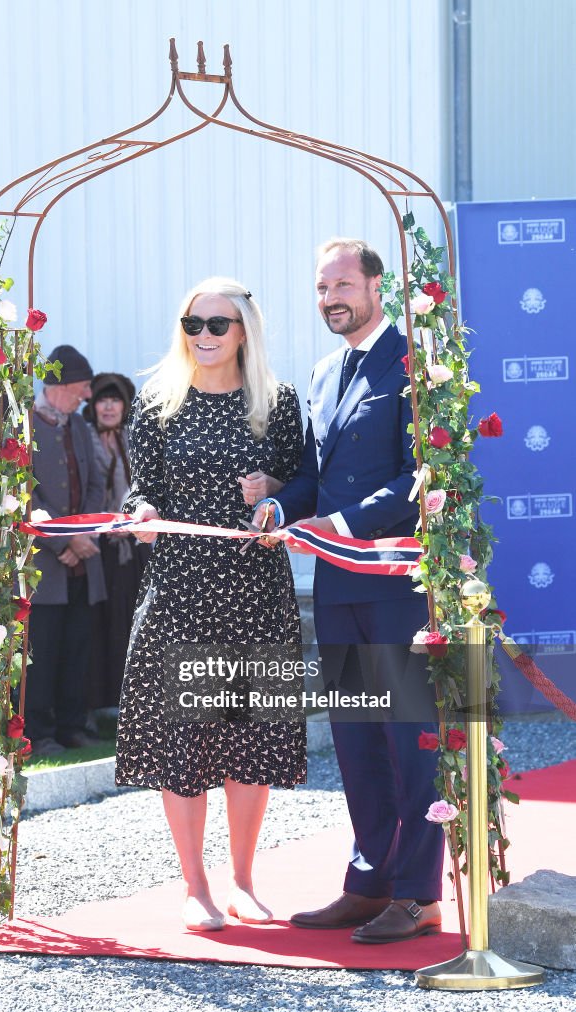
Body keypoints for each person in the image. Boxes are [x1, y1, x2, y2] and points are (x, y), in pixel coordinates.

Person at [254, 238, 444, 944]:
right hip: (338, 586)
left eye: (341, 285)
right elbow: (316, 474)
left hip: (396, 583)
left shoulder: (415, 363)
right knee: (358, 743)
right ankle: (369, 884)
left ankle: (419, 895)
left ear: (375, 287)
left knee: (409, 741)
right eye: (320, 287)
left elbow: (418, 476)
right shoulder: (324, 372)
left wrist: (336, 526)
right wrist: (281, 506)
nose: (329, 298)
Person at [115, 277, 306, 932]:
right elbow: (141, 490)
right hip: (182, 592)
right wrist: (142, 513)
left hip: (255, 591)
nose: (202, 335)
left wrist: (273, 487)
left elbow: (300, 485)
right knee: (185, 742)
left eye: (216, 324)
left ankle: (243, 883)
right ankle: (194, 887)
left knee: (250, 737)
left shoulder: (277, 402)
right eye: (192, 323)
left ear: (244, 331)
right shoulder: (156, 402)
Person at [25, 345, 107, 756]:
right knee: (42, 651)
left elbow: (95, 483)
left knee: (77, 648)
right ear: (61, 385)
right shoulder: (23, 424)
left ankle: (73, 726)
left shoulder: (78, 424)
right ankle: (39, 733)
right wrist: (64, 540)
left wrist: (84, 535)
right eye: (83, 387)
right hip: (43, 565)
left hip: (82, 560)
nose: (88, 396)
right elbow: (23, 494)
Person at [83, 373, 150, 714]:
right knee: (100, 622)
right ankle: (101, 702)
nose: (108, 407)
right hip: (96, 546)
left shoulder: (135, 438)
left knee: (134, 617)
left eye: (115, 400)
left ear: (125, 406)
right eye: (102, 400)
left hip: (134, 547)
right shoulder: (84, 437)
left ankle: (135, 700)